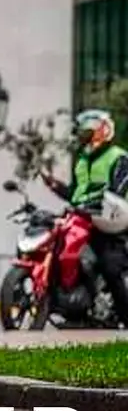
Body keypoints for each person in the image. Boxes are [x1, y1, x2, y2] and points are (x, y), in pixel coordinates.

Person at [42, 109, 128, 327]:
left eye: (91, 127)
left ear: (105, 129)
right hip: (81, 218)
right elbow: (75, 194)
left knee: (110, 266)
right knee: (60, 250)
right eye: (84, 128)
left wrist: (98, 201)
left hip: (110, 221)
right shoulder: (82, 160)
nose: (86, 131)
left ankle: (125, 316)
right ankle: (70, 306)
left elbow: (118, 189)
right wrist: (54, 185)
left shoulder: (118, 156)